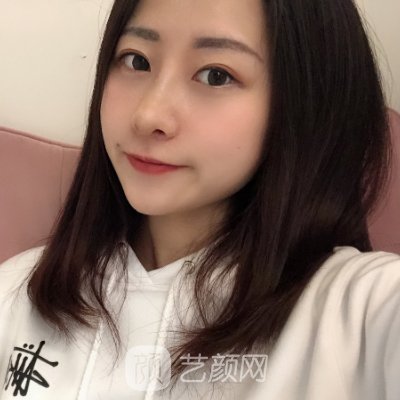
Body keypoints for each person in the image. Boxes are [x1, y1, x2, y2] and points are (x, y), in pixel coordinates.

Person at [0, 0, 399, 398]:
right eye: (137, 61)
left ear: (306, 102)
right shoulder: (18, 290)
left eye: (215, 75)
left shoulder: (359, 311)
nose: (149, 116)